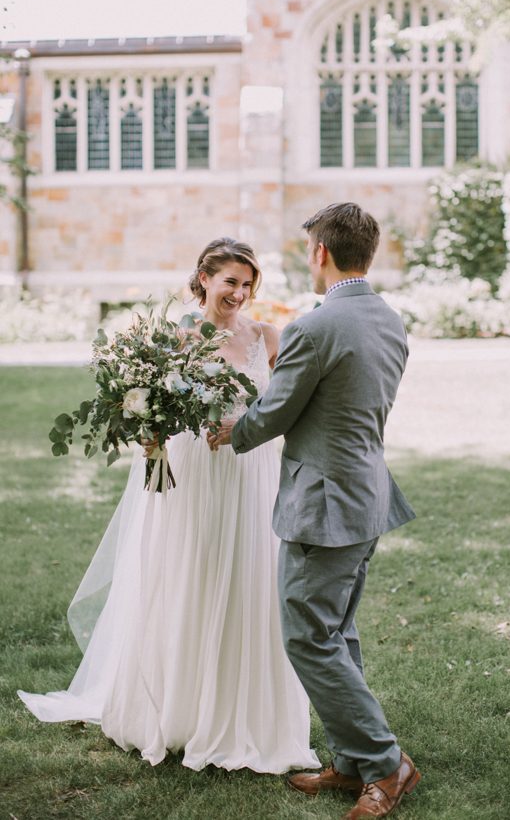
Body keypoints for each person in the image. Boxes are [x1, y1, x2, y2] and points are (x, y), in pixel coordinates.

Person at [18, 237, 319, 775]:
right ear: (204, 278)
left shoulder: (267, 336)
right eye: (230, 281)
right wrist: (150, 434)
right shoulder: (174, 335)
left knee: (249, 579)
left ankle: (241, 713)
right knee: (189, 575)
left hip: (250, 474)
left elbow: (282, 406)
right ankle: (179, 708)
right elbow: (148, 405)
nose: (240, 293)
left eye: (249, 284)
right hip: (194, 473)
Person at [208, 204, 420, 819]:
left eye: (308, 250)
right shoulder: (390, 319)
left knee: (308, 638)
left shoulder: (314, 326)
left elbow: (276, 411)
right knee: (338, 631)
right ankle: (353, 764)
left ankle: (386, 764)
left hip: (324, 504)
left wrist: (233, 431)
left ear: (321, 252)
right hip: (368, 493)